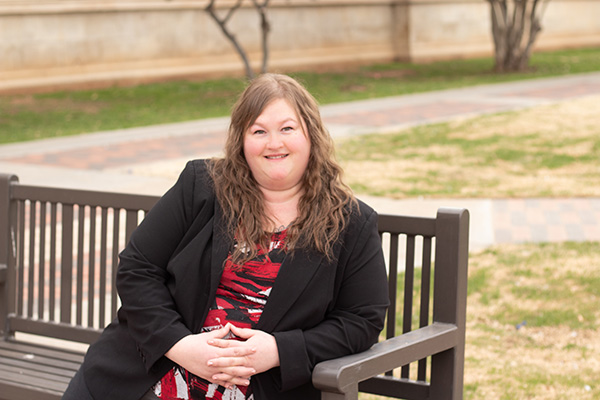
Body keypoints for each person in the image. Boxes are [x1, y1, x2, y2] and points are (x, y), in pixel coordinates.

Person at [63, 73, 389, 400]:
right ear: (242, 142)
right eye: (258, 131)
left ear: (311, 136)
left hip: (260, 387)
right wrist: (179, 345)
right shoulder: (202, 187)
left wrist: (278, 350)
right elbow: (137, 268)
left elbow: (361, 320)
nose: (274, 143)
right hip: (153, 373)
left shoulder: (351, 223)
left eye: (287, 128)